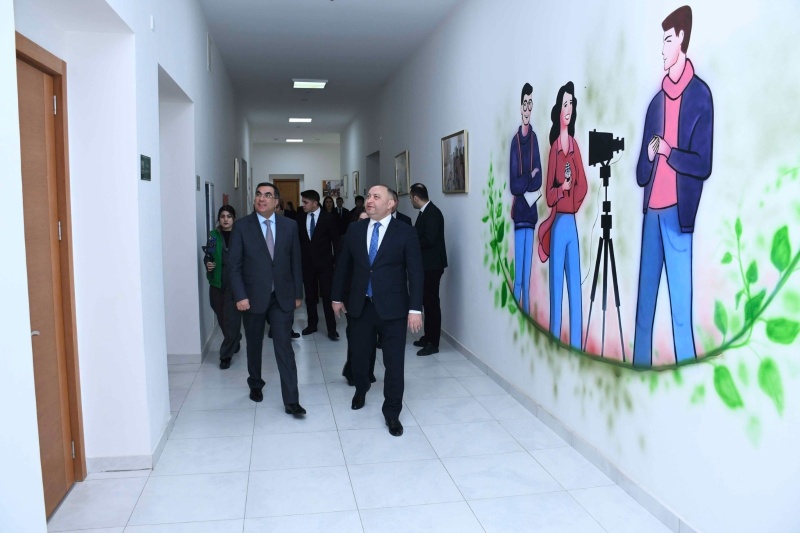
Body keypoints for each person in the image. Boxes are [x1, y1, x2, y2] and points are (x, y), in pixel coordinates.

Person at [634, 5, 713, 367]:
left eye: (667, 40)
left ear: (681, 38)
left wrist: (669, 152)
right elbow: (640, 174)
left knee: (681, 313)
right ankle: (638, 372)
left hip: (679, 217)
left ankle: (687, 383)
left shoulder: (700, 96)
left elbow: (702, 164)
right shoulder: (655, 104)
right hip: (651, 215)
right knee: (643, 308)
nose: (662, 49)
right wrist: (651, 156)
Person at [332, 185, 423, 437]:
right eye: (368, 196)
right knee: (360, 357)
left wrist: (415, 309)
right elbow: (343, 265)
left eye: (376, 197)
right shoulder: (355, 229)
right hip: (361, 306)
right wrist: (336, 297)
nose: (369, 200)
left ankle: (392, 411)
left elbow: (415, 273)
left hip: (394, 308)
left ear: (391, 204)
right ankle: (361, 389)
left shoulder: (405, 232)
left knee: (394, 364)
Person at [228, 182, 306, 415]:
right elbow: (234, 265)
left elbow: (296, 261)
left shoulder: (289, 226)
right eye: (259, 194)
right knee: (254, 344)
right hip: (252, 298)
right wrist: (240, 295)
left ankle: (291, 400)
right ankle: (255, 383)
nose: (262, 198)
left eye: (268, 195)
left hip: (281, 297)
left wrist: (298, 294)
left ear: (276, 202)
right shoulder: (242, 227)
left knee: (284, 347)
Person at [538, 81, 588, 349]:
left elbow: (584, 185)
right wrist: (562, 190)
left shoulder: (575, 147)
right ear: (558, 110)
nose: (568, 109)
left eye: (571, 104)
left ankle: (576, 345)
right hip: (558, 225)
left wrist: (572, 200)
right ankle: (555, 342)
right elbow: (548, 195)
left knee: (575, 289)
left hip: (571, 223)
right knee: (556, 287)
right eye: (565, 103)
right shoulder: (555, 149)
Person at [510, 82, 543, 314]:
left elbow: (539, 180)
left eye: (530, 104)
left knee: (527, 270)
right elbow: (514, 185)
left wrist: (528, 179)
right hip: (519, 213)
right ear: (520, 106)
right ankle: (515, 313)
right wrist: (528, 176)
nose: (527, 108)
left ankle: (526, 313)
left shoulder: (534, 139)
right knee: (519, 272)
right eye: (525, 103)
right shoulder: (515, 142)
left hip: (531, 213)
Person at [409, 183, 448, 356]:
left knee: (431, 304)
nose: (411, 201)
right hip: (426, 265)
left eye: (411, 198)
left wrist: (411, 243)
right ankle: (428, 336)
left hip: (432, 266)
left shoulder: (432, 213)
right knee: (426, 302)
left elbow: (429, 240)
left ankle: (433, 343)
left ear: (416, 198)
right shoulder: (425, 212)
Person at [297, 189, 341, 340]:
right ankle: (312, 324)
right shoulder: (300, 217)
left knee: (327, 296)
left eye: (305, 202)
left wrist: (337, 262)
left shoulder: (328, 218)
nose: (303, 205)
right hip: (307, 264)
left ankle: (331, 328)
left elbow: (336, 241)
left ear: (315, 203)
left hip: (325, 264)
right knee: (310, 296)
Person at [341, 210, 378, 386]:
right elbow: (342, 269)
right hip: (353, 296)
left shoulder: (377, 240)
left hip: (372, 297)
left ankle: (369, 371)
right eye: (361, 220)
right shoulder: (348, 239)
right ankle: (352, 371)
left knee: (371, 338)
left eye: (367, 219)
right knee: (355, 337)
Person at [204, 205, 242, 369]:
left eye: (229, 216)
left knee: (231, 318)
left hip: (234, 282)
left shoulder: (240, 235)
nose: (225, 219)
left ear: (234, 218)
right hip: (217, 281)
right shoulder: (213, 236)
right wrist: (208, 263)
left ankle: (225, 355)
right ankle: (235, 338)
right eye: (222, 216)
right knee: (220, 313)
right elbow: (209, 255)